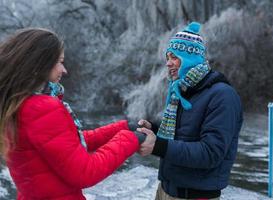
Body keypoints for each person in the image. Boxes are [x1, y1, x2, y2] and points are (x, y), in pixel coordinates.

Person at [0, 28, 145, 200]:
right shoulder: (41, 108)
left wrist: (122, 128)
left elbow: (66, 144)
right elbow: (85, 172)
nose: (65, 69)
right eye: (59, 62)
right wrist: (132, 139)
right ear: (40, 65)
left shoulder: (16, 104)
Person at [137, 22, 243, 200]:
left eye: (174, 57)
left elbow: (211, 153)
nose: (168, 63)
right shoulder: (182, 89)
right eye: (167, 57)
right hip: (165, 189)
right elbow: (182, 136)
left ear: (190, 58)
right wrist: (154, 131)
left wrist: (158, 146)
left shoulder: (222, 96)